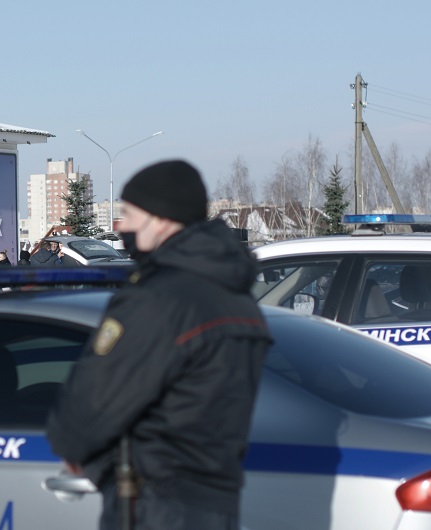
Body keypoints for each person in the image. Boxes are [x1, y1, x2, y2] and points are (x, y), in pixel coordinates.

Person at [47, 160, 272, 530]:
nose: (124, 227)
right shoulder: (236, 296)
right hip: (217, 498)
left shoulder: (160, 298)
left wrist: (72, 445)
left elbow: (98, 399)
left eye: (130, 214)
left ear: (161, 218)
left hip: (156, 502)